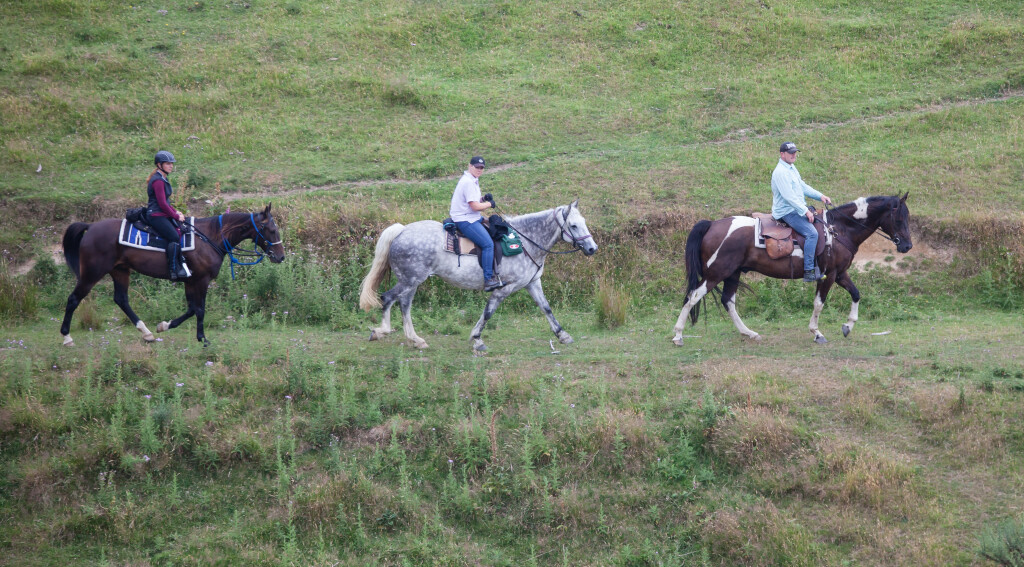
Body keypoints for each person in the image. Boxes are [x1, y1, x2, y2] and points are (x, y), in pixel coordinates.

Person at [771, 142, 834, 282]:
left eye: (795, 152)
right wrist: (806, 211)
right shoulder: (780, 172)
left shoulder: (791, 168)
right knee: (812, 233)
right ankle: (809, 271)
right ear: (782, 154)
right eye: (790, 152)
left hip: (796, 208)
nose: (794, 155)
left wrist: (820, 196)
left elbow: (802, 186)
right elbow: (789, 197)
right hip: (787, 212)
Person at [449, 156, 506, 291]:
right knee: (488, 244)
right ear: (470, 166)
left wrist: (483, 199)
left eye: (482, 168)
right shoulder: (468, 182)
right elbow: (474, 206)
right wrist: (489, 204)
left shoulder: (472, 180)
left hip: (471, 216)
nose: (479, 170)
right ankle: (488, 279)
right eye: (477, 167)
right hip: (465, 219)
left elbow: (473, 200)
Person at [146, 150, 189, 281]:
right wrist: (175, 216)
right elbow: (162, 204)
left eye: (172, 163)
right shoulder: (158, 181)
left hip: (161, 213)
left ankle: (181, 262)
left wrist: (176, 211)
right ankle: (173, 269)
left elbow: (166, 202)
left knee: (179, 230)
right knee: (174, 236)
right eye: (168, 164)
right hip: (156, 215)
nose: (171, 166)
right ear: (159, 165)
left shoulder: (163, 178)